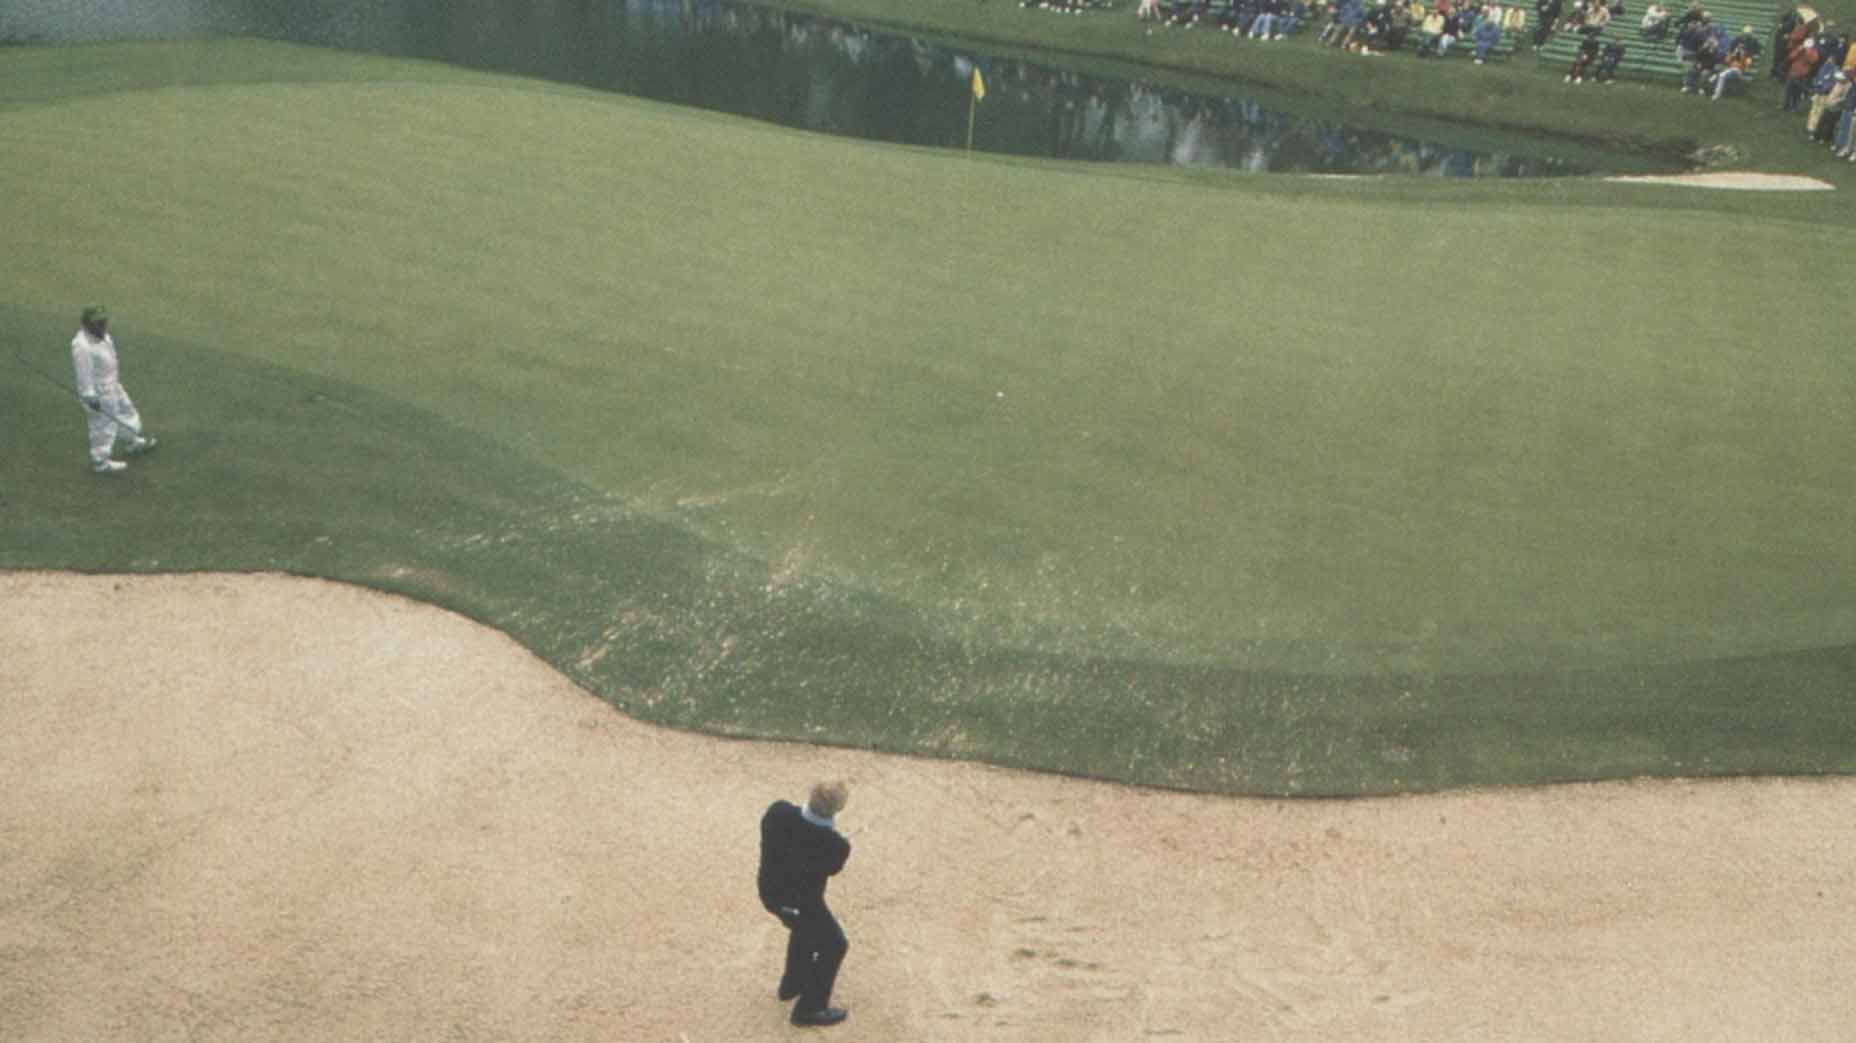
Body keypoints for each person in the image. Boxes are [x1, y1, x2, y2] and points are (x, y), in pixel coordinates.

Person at [759, 781, 854, 1029]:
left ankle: (792, 984)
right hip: (803, 903)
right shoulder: (836, 845)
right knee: (835, 945)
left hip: (770, 894)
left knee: (804, 928)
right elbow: (832, 867)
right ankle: (809, 1009)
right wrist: (834, 837)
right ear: (838, 809)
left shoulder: (778, 813)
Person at [70, 304, 157, 474]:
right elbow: (83, 373)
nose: (103, 325)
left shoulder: (104, 336)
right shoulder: (82, 346)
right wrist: (89, 396)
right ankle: (100, 462)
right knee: (103, 426)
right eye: (98, 323)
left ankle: (133, 440)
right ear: (87, 324)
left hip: (113, 384)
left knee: (127, 411)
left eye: (103, 322)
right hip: (99, 393)